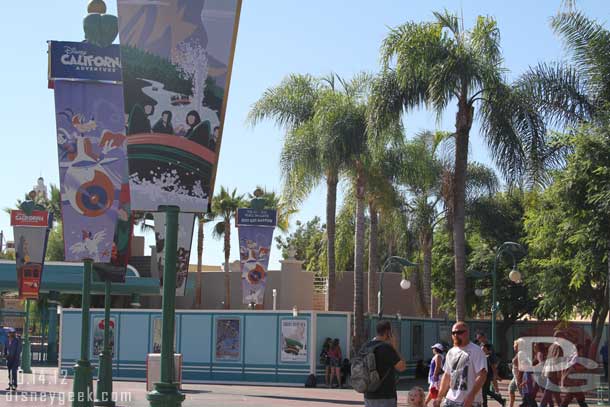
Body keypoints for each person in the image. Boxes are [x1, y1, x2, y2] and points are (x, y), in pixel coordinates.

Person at [433, 321, 487, 407]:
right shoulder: (451, 352)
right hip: (450, 400)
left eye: (459, 332)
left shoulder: (477, 351)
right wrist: (439, 397)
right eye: (453, 333)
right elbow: (446, 376)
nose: (455, 335)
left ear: (467, 333)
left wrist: (471, 395)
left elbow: (482, 375)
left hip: (469, 402)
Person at [363, 320, 407, 407]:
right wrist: (395, 347)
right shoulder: (386, 348)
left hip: (368, 394)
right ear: (388, 332)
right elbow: (402, 367)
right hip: (385, 395)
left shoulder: (365, 347)